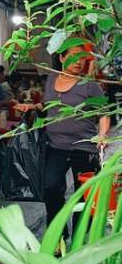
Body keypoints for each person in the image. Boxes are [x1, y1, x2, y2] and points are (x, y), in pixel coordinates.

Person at [16, 45, 110, 236]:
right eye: (74, 56)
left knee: (83, 194)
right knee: (51, 188)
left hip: (84, 148)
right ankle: (58, 235)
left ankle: (79, 236)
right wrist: (32, 107)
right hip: (56, 147)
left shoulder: (89, 84)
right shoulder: (51, 80)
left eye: (82, 57)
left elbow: (104, 113)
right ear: (61, 58)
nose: (79, 62)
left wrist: (103, 134)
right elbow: (49, 104)